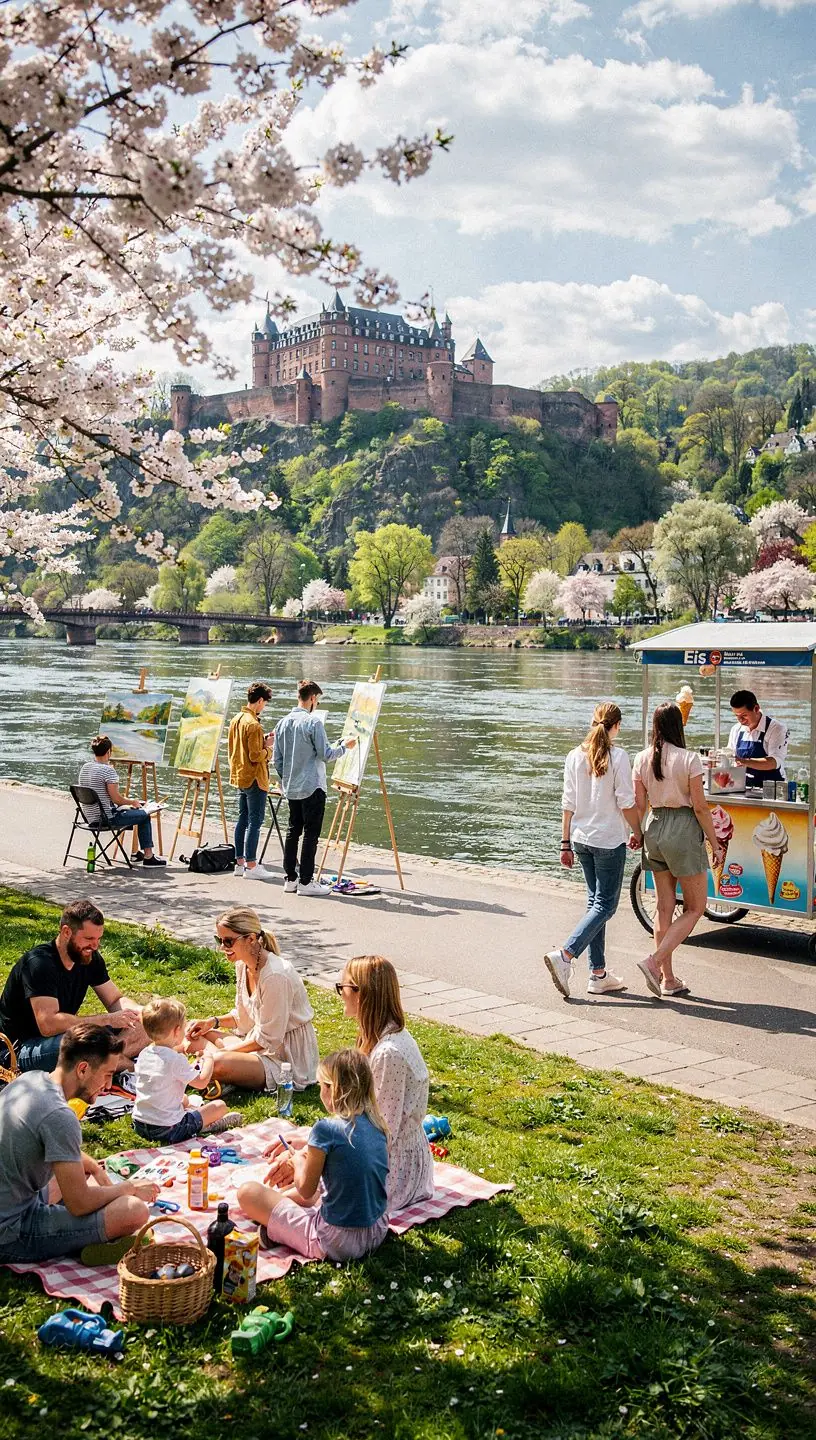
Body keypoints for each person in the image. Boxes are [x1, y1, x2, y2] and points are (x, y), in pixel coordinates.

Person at [0, 1023, 158, 1266]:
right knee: (134, 1210)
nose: (108, 1085)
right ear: (83, 1069)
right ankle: (88, 1240)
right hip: (12, 1232)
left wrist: (94, 1167)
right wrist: (128, 1189)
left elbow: (62, 1151)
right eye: (107, 1075)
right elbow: (79, 1203)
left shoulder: (30, 1080)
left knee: (80, 1172)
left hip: (12, 1198)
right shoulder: (59, 1116)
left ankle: (83, 1237)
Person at [237, 1048, 389, 1263]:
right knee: (309, 1193)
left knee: (248, 1192)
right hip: (377, 1230)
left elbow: (306, 1191)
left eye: (321, 1086)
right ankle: (278, 1224)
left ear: (332, 1089)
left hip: (337, 1242)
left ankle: (275, 1232)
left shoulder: (325, 1130)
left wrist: (298, 1161)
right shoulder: (377, 1125)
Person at [544, 704, 643, 1000]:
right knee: (606, 906)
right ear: (617, 725)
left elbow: (568, 802)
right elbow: (626, 802)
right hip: (608, 841)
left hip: (581, 839)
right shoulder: (619, 757)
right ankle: (565, 954)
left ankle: (598, 974)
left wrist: (565, 843)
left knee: (595, 904)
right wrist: (638, 832)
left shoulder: (574, 756)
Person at [633, 702, 723, 998]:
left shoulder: (642, 758)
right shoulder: (689, 759)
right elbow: (699, 806)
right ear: (678, 726)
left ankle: (667, 979)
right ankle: (654, 962)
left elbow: (639, 805)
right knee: (696, 907)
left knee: (663, 907)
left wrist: (637, 833)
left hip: (654, 828)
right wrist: (714, 841)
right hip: (683, 830)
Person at [0, 898, 148, 1074]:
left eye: (98, 939)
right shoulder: (39, 964)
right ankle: (125, 1068)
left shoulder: (89, 957)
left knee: (147, 1023)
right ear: (66, 932)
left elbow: (115, 999)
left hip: (65, 1037)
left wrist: (143, 1013)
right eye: (88, 938)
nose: (95, 946)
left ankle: (105, 1065)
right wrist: (108, 1019)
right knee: (84, 1044)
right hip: (20, 1049)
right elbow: (48, 1024)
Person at [335, 955, 434, 1214]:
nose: (340, 994)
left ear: (361, 994)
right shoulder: (380, 1036)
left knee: (313, 1185)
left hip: (393, 1171)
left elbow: (382, 1134)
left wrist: (327, 1152)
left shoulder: (389, 1053)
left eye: (342, 987)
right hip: (389, 1155)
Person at [186, 907, 319, 1092]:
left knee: (216, 1061)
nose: (222, 947)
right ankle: (206, 1069)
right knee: (194, 1033)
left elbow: (269, 1039)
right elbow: (243, 1018)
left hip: (283, 1059)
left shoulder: (275, 976)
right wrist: (212, 1022)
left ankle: (188, 1073)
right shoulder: (243, 964)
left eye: (228, 941)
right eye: (220, 940)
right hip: (256, 1044)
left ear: (251, 938)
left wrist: (222, 1053)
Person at [273, 679, 356, 897]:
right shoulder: (313, 723)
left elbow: (277, 760)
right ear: (312, 698)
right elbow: (325, 755)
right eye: (317, 701)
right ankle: (306, 882)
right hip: (312, 787)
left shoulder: (282, 723)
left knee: (293, 832)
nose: (316, 705)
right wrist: (344, 747)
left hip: (292, 788)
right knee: (311, 835)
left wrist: (287, 779)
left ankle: (290, 879)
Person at [132, 997, 241, 1143]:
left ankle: (193, 1118)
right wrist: (208, 1059)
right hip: (169, 1129)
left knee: (184, 1100)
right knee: (219, 1107)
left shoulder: (144, 1053)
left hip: (140, 1123)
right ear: (177, 1031)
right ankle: (204, 1127)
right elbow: (201, 1083)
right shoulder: (175, 1059)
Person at [78, 735, 166, 866]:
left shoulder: (85, 767)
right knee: (144, 815)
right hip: (106, 819)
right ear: (109, 752)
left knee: (136, 813)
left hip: (90, 817)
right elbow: (117, 799)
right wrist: (133, 802)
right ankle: (148, 856)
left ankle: (136, 854)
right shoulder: (108, 771)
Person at [227, 680, 275, 881]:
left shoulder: (236, 719)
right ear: (260, 700)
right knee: (255, 822)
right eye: (265, 703)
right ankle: (252, 865)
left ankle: (240, 863)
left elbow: (242, 748)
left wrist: (261, 741)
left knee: (242, 819)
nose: (264, 707)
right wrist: (269, 748)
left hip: (240, 775)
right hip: (255, 778)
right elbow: (256, 755)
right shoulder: (253, 724)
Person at [728, 689, 790, 786]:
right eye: (737, 716)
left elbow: (774, 762)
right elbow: (730, 757)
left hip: (772, 789)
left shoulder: (777, 729)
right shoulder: (736, 729)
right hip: (743, 788)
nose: (740, 720)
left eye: (744, 715)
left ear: (756, 708)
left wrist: (744, 761)